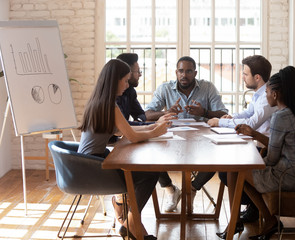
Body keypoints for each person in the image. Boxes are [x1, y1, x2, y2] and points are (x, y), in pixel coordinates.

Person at [219, 66, 295, 240]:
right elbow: (283, 146)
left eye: (268, 92)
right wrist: (254, 134)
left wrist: (260, 157)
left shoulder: (280, 116)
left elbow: (272, 159)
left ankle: (234, 223)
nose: (265, 95)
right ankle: (267, 222)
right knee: (239, 172)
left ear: (276, 94)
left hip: (289, 177)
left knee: (235, 169)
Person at [78, 59, 170, 240]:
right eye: (126, 80)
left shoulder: (100, 102)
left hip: (87, 163)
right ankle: (129, 224)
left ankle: (130, 221)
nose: (128, 85)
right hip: (92, 168)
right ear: (115, 80)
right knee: (150, 173)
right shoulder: (109, 106)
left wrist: (153, 127)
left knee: (143, 171)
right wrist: (155, 131)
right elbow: (132, 136)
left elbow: (124, 130)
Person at [145, 56, 228, 212]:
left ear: (195, 73)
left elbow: (223, 114)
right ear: (176, 72)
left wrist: (204, 112)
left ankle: (192, 189)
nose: (184, 75)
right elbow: (147, 115)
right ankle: (170, 189)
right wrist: (167, 112)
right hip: (171, 139)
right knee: (152, 155)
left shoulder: (207, 87)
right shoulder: (165, 88)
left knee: (218, 156)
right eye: (181, 71)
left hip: (202, 140)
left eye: (189, 71)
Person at [204, 55, 278, 226]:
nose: (242, 77)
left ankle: (250, 210)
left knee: (229, 171)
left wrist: (220, 122)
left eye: (245, 74)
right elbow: (248, 113)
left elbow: (252, 123)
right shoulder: (259, 94)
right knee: (227, 170)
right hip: (258, 145)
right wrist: (231, 117)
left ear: (257, 77)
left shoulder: (267, 98)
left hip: (264, 149)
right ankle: (249, 210)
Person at [111, 53, 180, 216]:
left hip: (119, 140)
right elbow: (125, 129)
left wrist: (153, 125)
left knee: (151, 153)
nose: (140, 74)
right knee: (150, 166)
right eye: (136, 72)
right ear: (122, 76)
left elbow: (140, 117)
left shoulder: (127, 93)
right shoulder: (111, 102)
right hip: (109, 150)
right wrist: (152, 128)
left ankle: (130, 218)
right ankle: (129, 216)